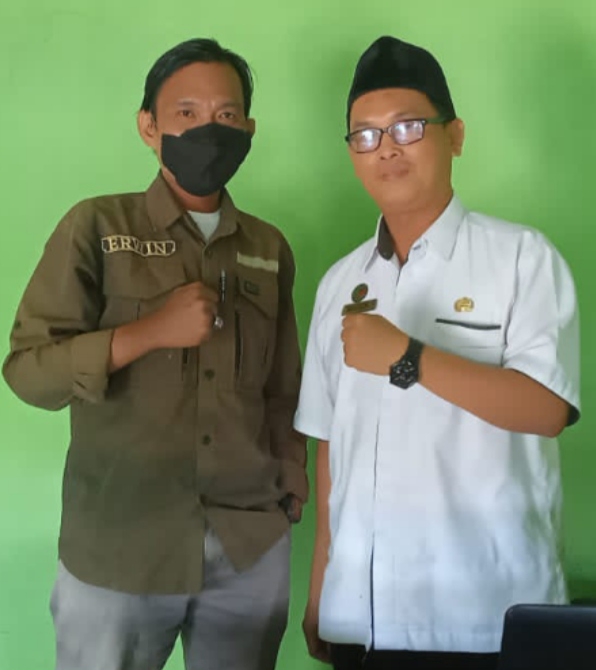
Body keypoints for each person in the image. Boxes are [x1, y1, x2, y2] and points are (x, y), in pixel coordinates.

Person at [3, 37, 307, 670]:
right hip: (120, 551)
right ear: (149, 126)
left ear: (248, 130)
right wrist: (147, 332)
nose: (208, 130)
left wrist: (291, 479)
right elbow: (29, 373)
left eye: (226, 115)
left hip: (246, 548)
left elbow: (283, 388)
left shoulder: (267, 248)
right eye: (186, 113)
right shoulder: (97, 227)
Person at [295, 35, 579, 670]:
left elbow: (547, 409)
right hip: (362, 618)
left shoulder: (522, 258)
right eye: (365, 135)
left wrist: (407, 357)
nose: (386, 147)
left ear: (455, 135)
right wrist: (322, 591)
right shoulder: (340, 283)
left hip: (485, 617)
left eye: (408, 127)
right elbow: (331, 447)